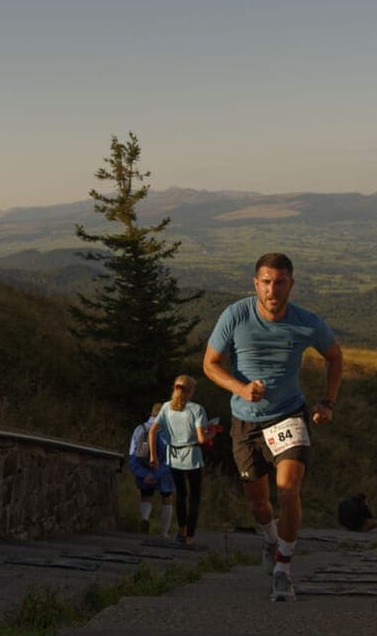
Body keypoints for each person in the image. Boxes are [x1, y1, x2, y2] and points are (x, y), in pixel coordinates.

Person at [202, 253, 343, 602]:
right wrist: (240, 388)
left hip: (288, 415)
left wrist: (327, 401)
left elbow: (335, 356)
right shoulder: (235, 315)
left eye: (279, 282)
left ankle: (283, 568)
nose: (272, 289)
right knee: (258, 504)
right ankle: (270, 536)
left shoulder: (306, 322)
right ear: (255, 283)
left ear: (290, 284)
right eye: (265, 282)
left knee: (288, 490)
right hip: (245, 422)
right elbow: (210, 364)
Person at [148, 375, 216, 546]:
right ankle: (191, 537)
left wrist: (153, 456)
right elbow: (201, 439)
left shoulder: (165, 407)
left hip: (173, 456)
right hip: (192, 456)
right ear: (191, 390)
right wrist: (213, 432)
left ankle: (182, 530)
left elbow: (152, 431)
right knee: (194, 496)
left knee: (180, 495)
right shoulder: (196, 409)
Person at [128, 403, 175, 535]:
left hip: (144, 467)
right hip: (163, 471)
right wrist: (158, 475)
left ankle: (145, 518)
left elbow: (133, 457)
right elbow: (171, 459)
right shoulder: (169, 431)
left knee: (146, 496)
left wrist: (144, 475)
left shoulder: (140, 429)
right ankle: (164, 533)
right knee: (167, 498)